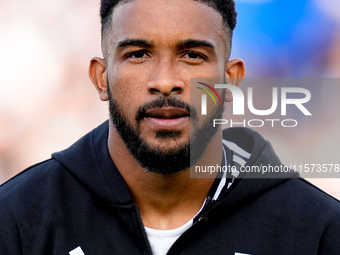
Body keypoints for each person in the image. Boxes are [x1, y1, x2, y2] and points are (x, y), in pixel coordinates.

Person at [0, 0, 339, 254]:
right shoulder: (16, 219)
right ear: (101, 78)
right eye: (138, 54)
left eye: (192, 55)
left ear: (231, 81)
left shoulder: (318, 230)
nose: (165, 82)